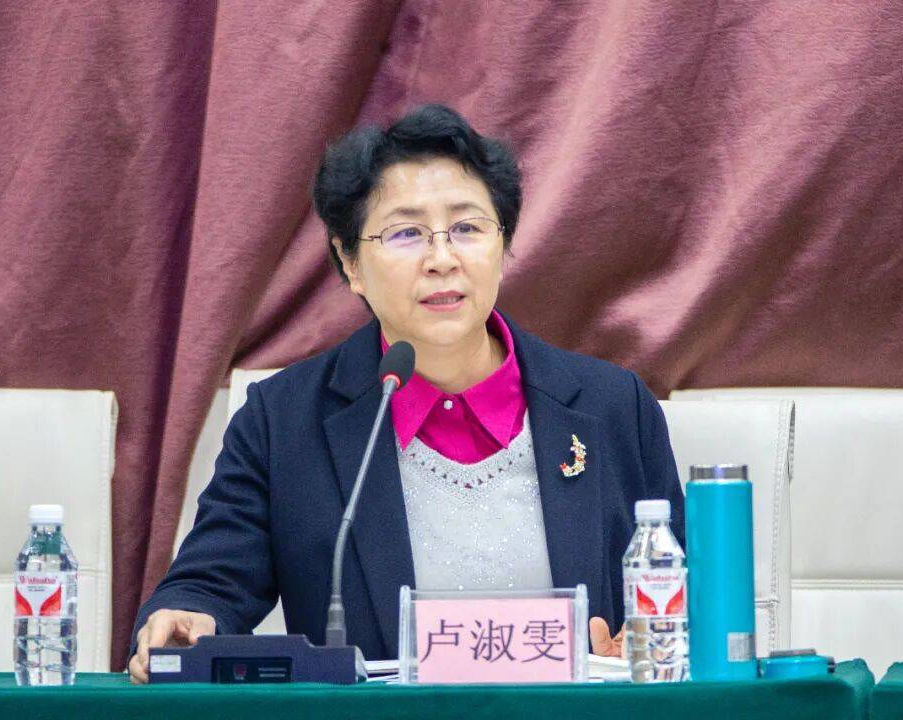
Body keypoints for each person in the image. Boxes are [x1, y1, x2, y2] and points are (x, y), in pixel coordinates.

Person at [128, 104, 684, 682]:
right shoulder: (281, 422)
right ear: (350, 263)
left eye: (467, 228)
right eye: (405, 233)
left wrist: (652, 641)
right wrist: (188, 616)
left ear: (503, 247)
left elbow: (686, 591)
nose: (442, 260)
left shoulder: (613, 408)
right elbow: (210, 584)